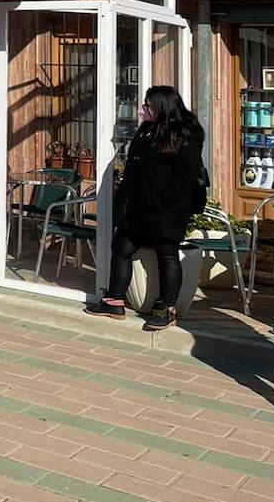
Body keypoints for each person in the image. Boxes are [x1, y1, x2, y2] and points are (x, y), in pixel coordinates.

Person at [86, 86, 205, 332]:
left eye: (148, 106)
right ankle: (114, 300)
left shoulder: (186, 134)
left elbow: (185, 176)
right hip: (137, 206)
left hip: (167, 209)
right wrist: (123, 199)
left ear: (162, 107)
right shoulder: (147, 131)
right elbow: (134, 166)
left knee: (167, 254)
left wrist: (162, 202)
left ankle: (166, 307)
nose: (143, 110)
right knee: (121, 247)